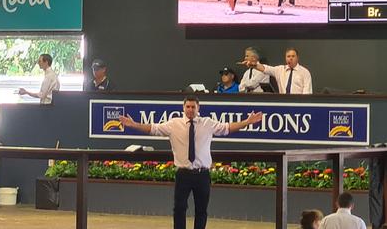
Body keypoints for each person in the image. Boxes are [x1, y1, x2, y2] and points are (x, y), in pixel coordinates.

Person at [118, 95, 263, 229]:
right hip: (183, 174)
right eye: (188, 106)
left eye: (193, 107)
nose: (190, 110)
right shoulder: (173, 124)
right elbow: (152, 128)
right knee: (179, 208)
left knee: (201, 210)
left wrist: (247, 122)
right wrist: (134, 124)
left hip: (202, 175)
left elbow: (227, 128)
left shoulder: (207, 123)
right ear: (183, 108)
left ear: (198, 108)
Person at [240, 47, 312, 94]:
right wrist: (254, 65)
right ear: (285, 58)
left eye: (293, 56)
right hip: (283, 103)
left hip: (299, 104)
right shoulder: (280, 70)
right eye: (288, 56)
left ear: (297, 57)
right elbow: (266, 68)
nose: (290, 58)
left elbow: (307, 92)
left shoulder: (304, 72)